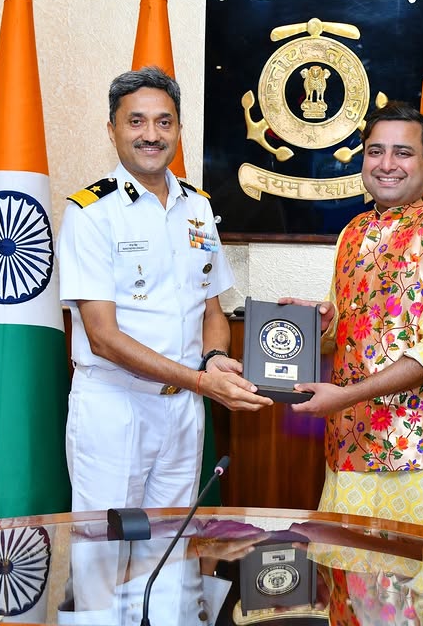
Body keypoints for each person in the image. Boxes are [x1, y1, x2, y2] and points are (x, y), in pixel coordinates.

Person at [57, 66, 272, 515]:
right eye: (136, 121)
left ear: (178, 129)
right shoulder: (91, 213)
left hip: (184, 410)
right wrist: (201, 381)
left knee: (173, 543)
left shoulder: (198, 206)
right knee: (105, 546)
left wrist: (214, 358)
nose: (151, 135)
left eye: (163, 122)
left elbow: (211, 310)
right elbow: (102, 337)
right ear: (112, 129)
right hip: (116, 407)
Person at [283, 101, 423, 537]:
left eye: (403, 152)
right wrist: (321, 324)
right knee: (347, 577)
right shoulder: (353, 232)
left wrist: (345, 396)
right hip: (348, 452)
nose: (387, 164)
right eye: (376, 151)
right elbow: (345, 333)